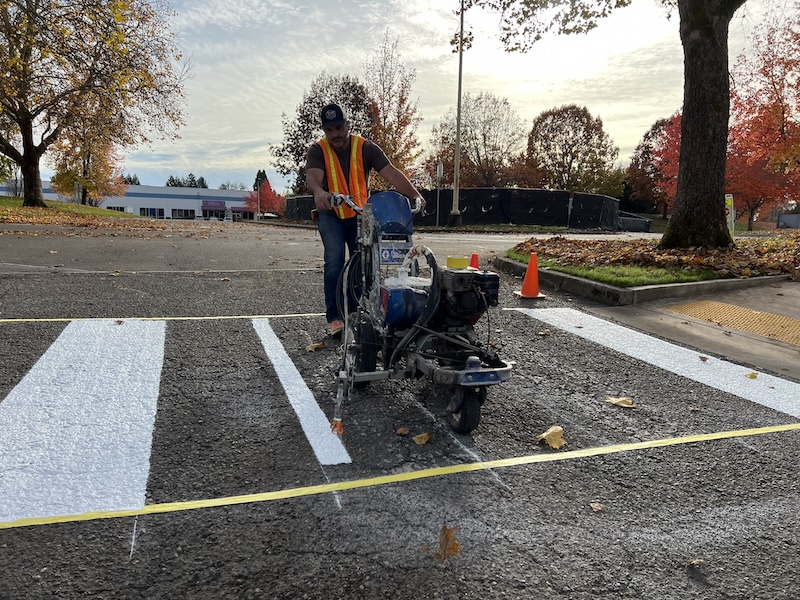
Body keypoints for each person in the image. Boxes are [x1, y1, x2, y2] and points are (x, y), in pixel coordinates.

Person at [305, 103, 424, 336]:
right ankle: (335, 317)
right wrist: (319, 192)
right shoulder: (318, 150)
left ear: (347, 125)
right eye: (329, 130)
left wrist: (415, 194)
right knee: (334, 260)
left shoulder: (365, 148)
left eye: (339, 128)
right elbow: (313, 177)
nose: (335, 134)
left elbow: (391, 172)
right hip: (331, 213)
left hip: (360, 213)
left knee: (362, 263)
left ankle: (353, 312)